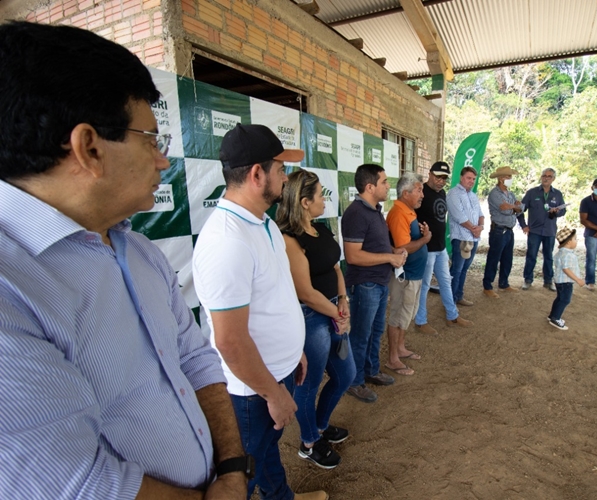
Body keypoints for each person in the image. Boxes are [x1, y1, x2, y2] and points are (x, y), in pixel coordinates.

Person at [0, 22, 248, 499]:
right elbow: (80, 485)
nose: (162, 161)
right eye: (151, 140)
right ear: (89, 147)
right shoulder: (13, 287)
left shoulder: (138, 250)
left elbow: (196, 360)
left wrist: (234, 468)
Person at [192, 124, 327, 500]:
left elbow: (275, 300)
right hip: (251, 391)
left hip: (274, 373)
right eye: (281, 170)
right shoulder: (226, 241)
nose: (286, 179)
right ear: (257, 174)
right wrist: (274, 393)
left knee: (267, 455)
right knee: (243, 478)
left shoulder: (263, 221)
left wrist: (292, 351)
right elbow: (231, 341)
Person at [276, 170, 356, 470]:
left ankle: (320, 427)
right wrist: (338, 314)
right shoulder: (288, 238)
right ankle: (309, 443)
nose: (325, 199)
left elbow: (335, 267)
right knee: (308, 386)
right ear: (305, 202)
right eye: (321, 195)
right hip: (312, 318)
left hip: (335, 311)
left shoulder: (320, 230)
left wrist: (343, 301)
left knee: (345, 374)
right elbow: (306, 292)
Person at [342, 164, 408, 403]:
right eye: (384, 182)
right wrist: (390, 257)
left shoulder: (374, 210)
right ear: (370, 187)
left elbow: (374, 244)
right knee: (361, 335)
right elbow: (353, 256)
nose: (388, 185)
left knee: (375, 331)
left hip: (378, 283)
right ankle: (355, 381)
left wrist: (393, 251)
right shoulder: (356, 213)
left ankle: (370, 370)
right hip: (365, 285)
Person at [414, 162, 473, 333]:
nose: (441, 181)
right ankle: (420, 321)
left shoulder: (442, 193)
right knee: (424, 286)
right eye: (438, 177)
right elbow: (412, 216)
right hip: (426, 248)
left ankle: (452, 316)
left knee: (446, 282)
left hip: (440, 247)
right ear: (430, 174)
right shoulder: (421, 192)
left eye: (444, 178)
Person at [385, 173, 432, 376]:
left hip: (414, 274)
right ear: (406, 193)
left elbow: (409, 238)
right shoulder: (398, 213)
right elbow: (403, 247)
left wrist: (422, 233)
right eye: (419, 190)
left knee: (407, 315)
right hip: (405, 276)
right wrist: (426, 239)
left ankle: (401, 348)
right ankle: (393, 359)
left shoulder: (409, 211)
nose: (422, 194)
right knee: (397, 316)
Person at [519, 168, 567, 291]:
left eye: (549, 176)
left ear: (553, 179)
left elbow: (563, 211)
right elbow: (519, 209)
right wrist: (524, 225)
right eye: (544, 175)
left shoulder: (557, 194)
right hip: (534, 230)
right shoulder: (532, 192)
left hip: (549, 231)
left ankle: (548, 281)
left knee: (548, 257)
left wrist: (557, 211)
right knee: (531, 255)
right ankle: (528, 280)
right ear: (541, 177)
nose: (546, 178)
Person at [446, 166, 485, 306]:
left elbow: (481, 215)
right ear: (461, 178)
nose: (471, 181)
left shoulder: (472, 195)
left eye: (474, 179)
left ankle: (459, 296)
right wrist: (474, 229)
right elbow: (459, 217)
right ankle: (450, 301)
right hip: (462, 238)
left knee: (464, 269)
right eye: (469, 178)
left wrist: (481, 227)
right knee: (456, 269)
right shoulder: (453, 194)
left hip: (474, 238)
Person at [483, 166, 523, 297]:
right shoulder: (495, 193)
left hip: (509, 230)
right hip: (499, 230)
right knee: (494, 258)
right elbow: (505, 210)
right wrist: (515, 207)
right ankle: (487, 286)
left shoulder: (510, 194)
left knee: (507, 258)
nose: (510, 179)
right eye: (508, 177)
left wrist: (514, 207)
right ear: (501, 179)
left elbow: (521, 208)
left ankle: (504, 283)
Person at [548, 228, 585, 330]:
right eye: (575, 239)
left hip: (559, 281)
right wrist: (578, 279)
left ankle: (552, 315)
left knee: (560, 298)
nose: (576, 241)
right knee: (565, 300)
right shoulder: (567, 255)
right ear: (569, 242)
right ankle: (556, 318)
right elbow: (566, 269)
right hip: (565, 282)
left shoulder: (560, 253)